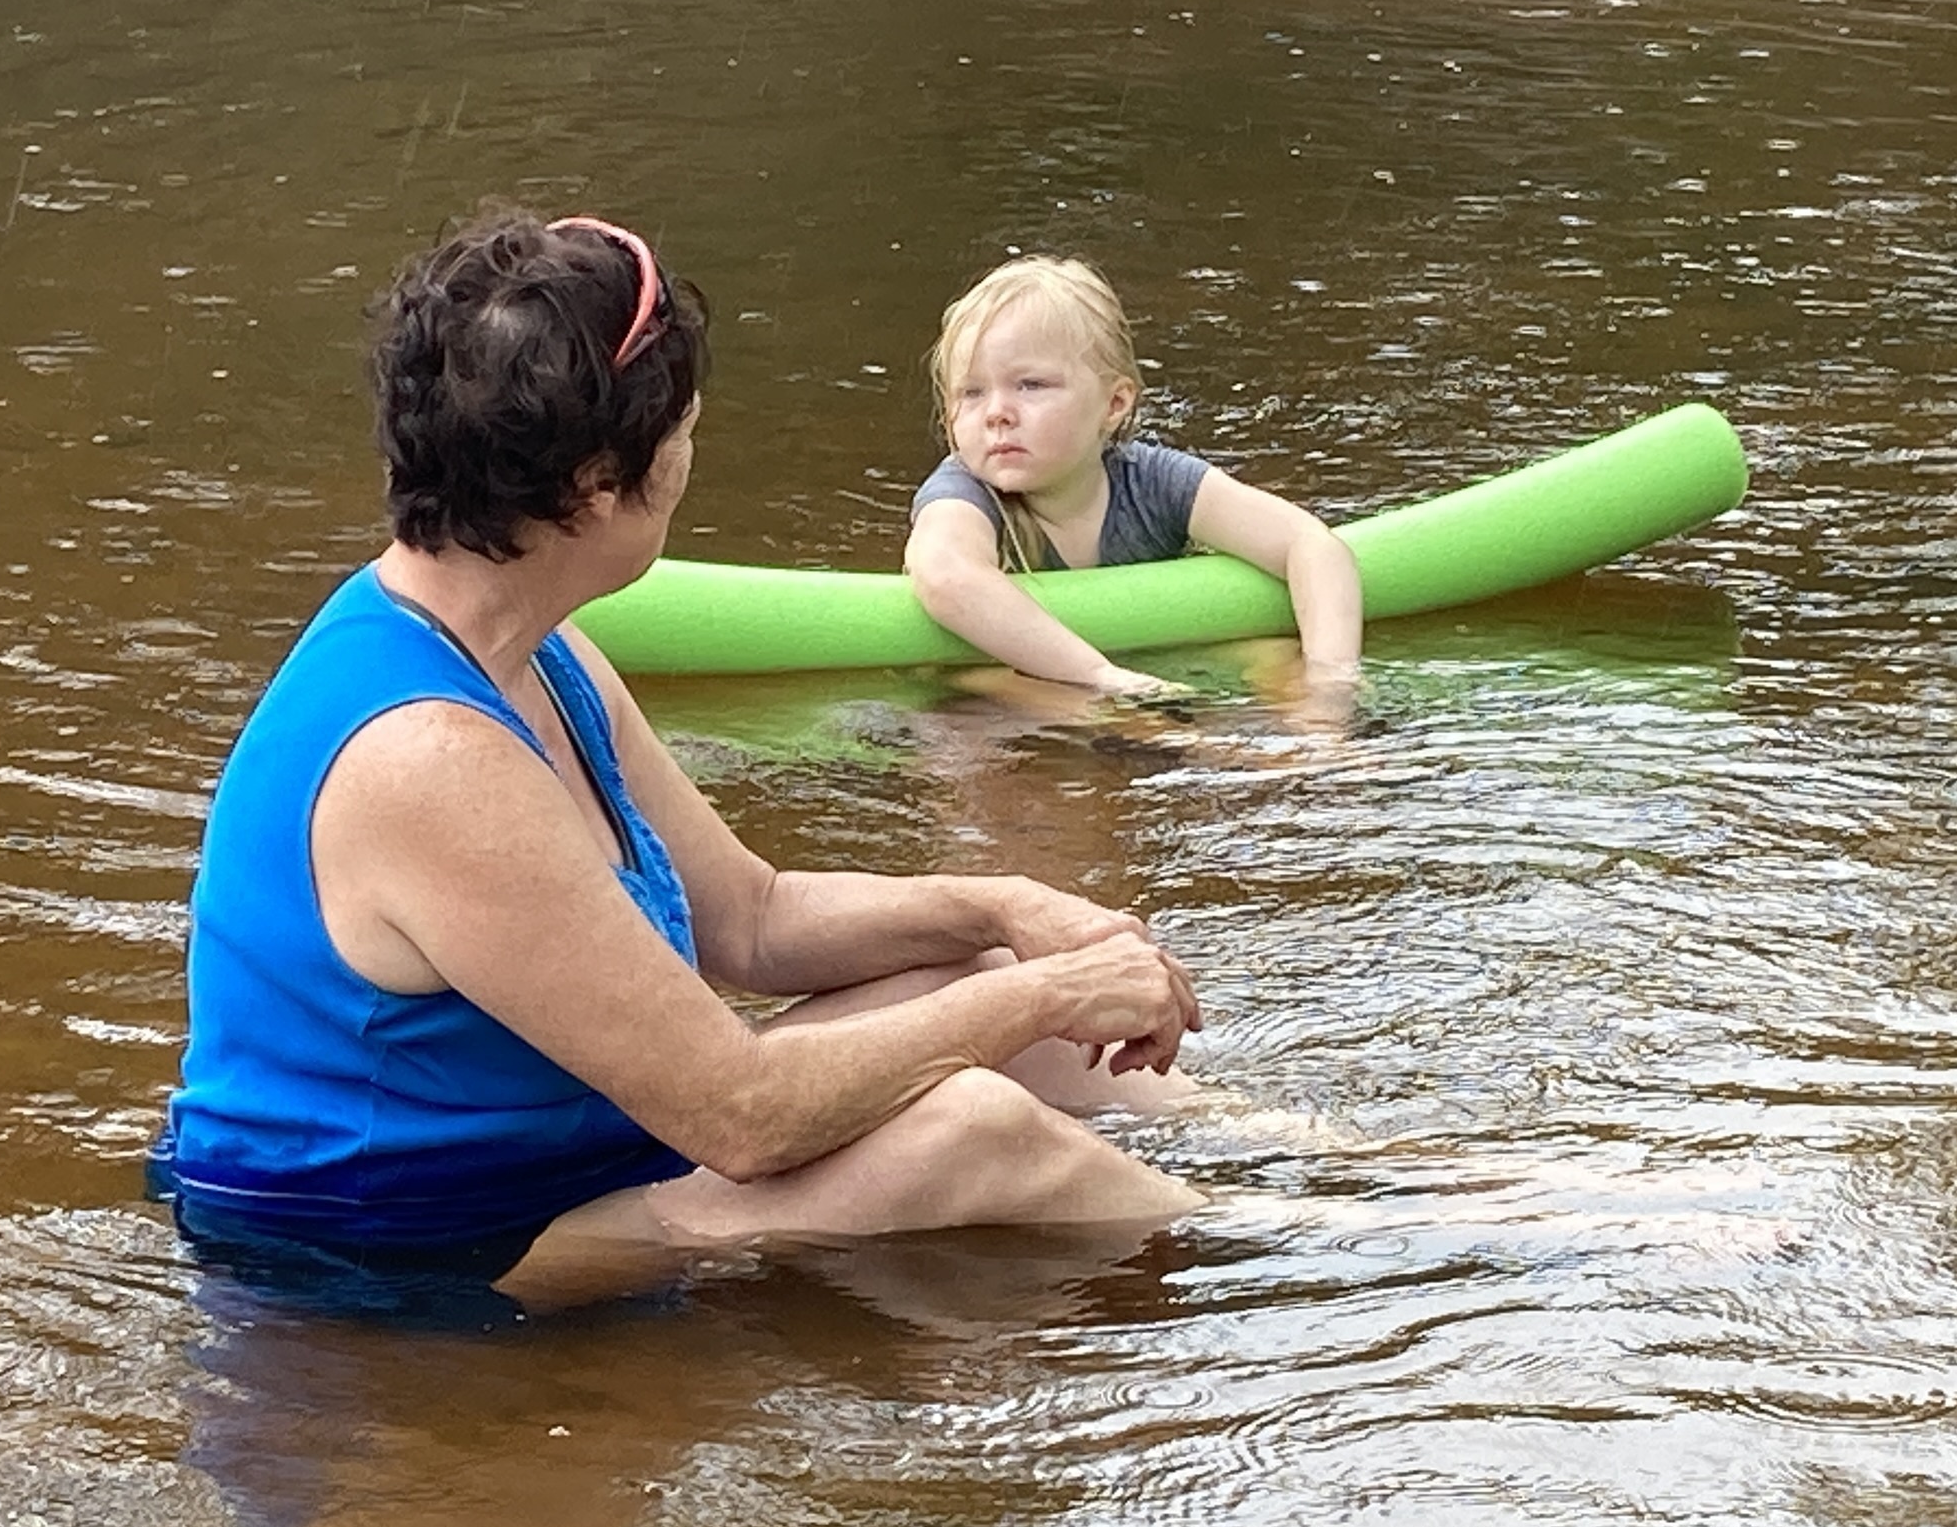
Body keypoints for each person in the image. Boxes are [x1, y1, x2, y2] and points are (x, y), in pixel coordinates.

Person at [153, 209, 1205, 1299]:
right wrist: (1047, 998)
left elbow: (747, 918)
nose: (697, 456)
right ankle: (1285, 1262)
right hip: (396, 1269)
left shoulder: (537, 647)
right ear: (599, 485)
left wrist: (1005, 912)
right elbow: (742, 1114)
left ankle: (1327, 1170)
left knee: (975, 975)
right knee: (970, 1122)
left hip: (562, 1179)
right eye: (688, 433)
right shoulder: (428, 759)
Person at [902, 255, 1365, 703]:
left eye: (1031, 385)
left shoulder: (1153, 481)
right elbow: (946, 575)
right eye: (972, 392)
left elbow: (1310, 544)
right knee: (1022, 694)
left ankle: (1323, 758)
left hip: (1151, 663)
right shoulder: (963, 493)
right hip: (1005, 679)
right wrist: (1099, 677)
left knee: (1278, 656)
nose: (997, 413)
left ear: (1114, 404)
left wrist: (1330, 678)